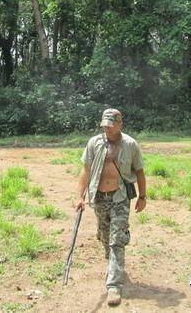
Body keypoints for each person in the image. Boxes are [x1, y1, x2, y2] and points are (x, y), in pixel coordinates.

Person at [74, 108, 147, 306]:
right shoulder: (94, 143)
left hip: (120, 196)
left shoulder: (130, 144)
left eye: (111, 125)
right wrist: (79, 196)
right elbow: (86, 169)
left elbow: (139, 171)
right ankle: (112, 259)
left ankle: (114, 284)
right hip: (98, 196)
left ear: (120, 124)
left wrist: (142, 196)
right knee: (104, 235)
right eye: (104, 125)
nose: (107, 129)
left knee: (117, 239)